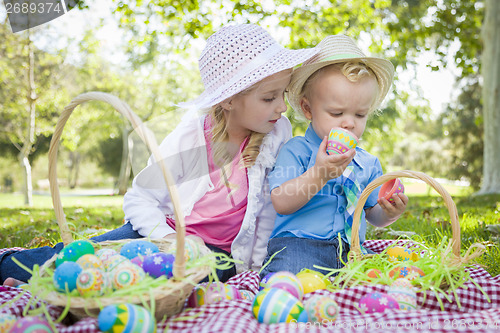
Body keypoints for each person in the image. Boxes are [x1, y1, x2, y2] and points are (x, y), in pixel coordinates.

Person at [0, 24, 317, 286]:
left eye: (282, 94)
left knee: (148, 282)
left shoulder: (276, 132)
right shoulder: (196, 140)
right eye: (269, 97)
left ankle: (41, 284)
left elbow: (265, 212)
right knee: (95, 256)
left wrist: (254, 267)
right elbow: (140, 200)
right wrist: (170, 241)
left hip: (216, 256)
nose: (282, 107)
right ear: (229, 100)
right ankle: (15, 268)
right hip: (162, 234)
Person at [259, 35, 408, 278]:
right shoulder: (296, 150)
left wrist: (389, 213)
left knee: (380, 279)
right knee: (289, 278)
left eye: (360, 115)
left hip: (351, 251)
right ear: (308, 109)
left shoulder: (367, 163)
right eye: (337, 113)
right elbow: (281, 203)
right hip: (301, 245)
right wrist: (318, 174)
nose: (349, 123)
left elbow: (371, 214)